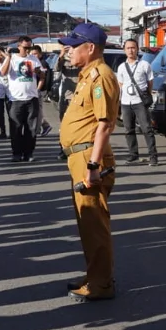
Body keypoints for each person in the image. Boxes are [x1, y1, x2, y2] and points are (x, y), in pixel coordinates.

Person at [58, 23, 121, 301]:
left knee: (94, 223)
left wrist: (94, 167)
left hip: (89, 159)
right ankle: (95, 274)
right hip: (79, 156)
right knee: (87, 223)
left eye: (74, 45)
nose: (69, 50)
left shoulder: (101, 76)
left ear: (91, 48)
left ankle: (101, 285)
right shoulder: (86, 76)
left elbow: (105, 124)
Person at [0, 36, 43, 162]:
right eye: (25, 48)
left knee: (31, 129)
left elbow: (42, 74)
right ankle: (17, 153)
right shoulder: (12, 59)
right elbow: (3, 72)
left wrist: (39, 72)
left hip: (31, 98)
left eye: (29, 47)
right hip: (15, 99)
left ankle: (28, 153)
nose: (27, 50)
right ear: (19, 46)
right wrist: (8, 57)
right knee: (16, 128)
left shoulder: (33, 58)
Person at [116, 38, 158, 165]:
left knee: (147, 129)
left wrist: (147, 95)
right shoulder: (122, 67)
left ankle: (153, 156)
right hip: (126, 102)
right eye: (128, 48)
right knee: (128, 129)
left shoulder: (144, 65)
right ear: (124, 50)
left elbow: (150, 82)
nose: (130, 50)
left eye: (133, 47)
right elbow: (120, 84)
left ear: (137, 49)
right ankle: (133, 154)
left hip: (139, 102)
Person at [0, 46, 10, 138]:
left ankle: (13, 132)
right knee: (0, 113)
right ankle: (2, 131)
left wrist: (2, 53)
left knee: (11, 114)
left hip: (9, 92)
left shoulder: (8, 62)